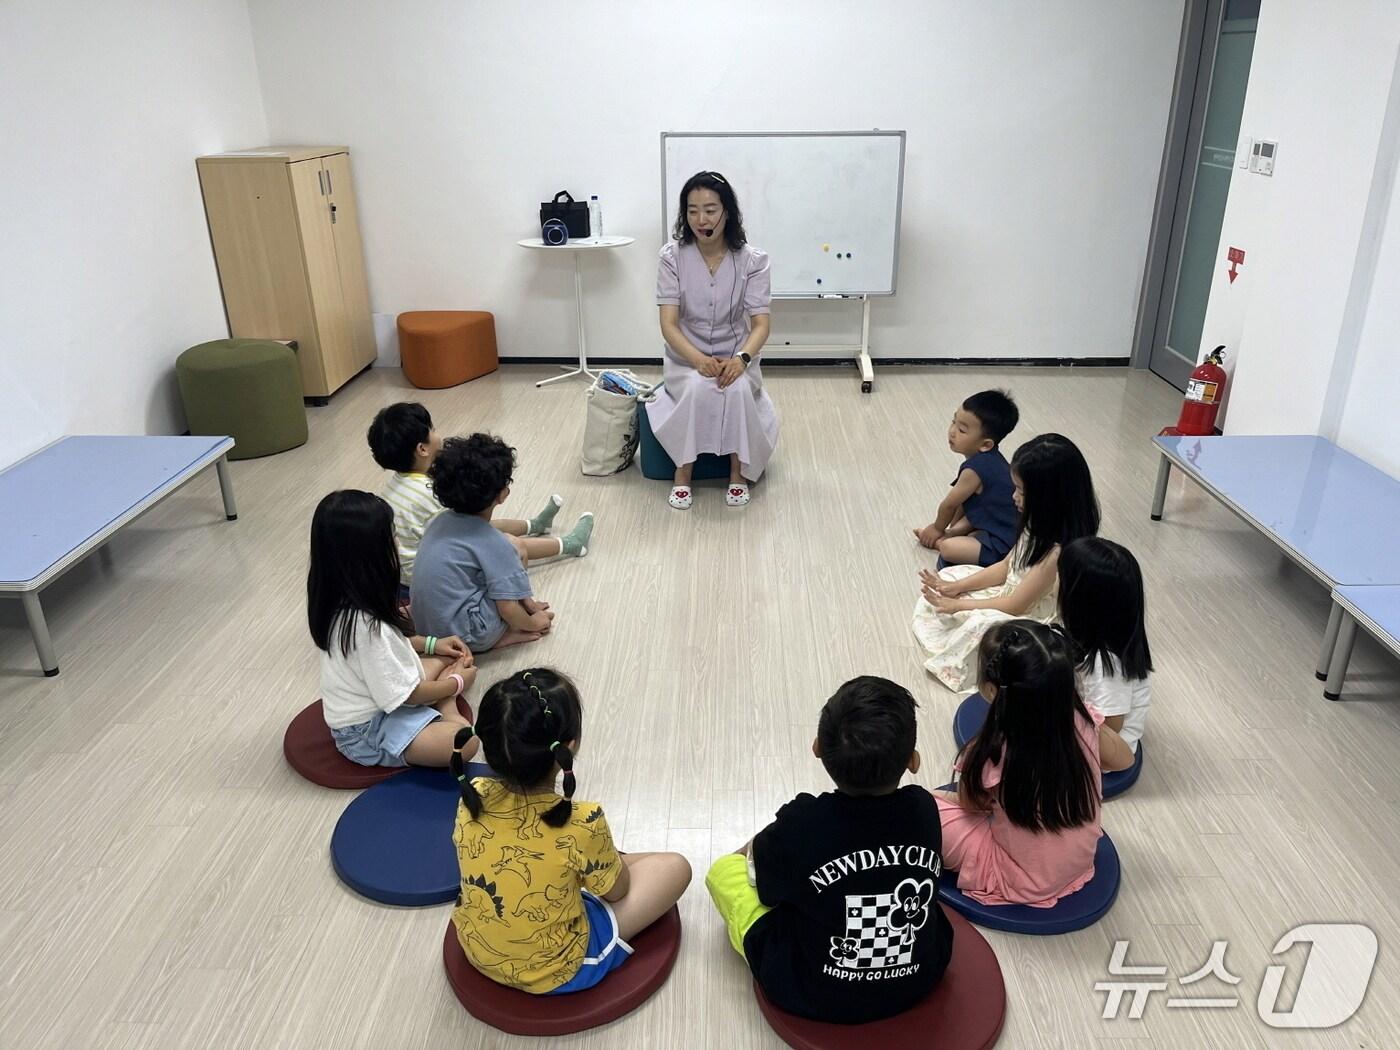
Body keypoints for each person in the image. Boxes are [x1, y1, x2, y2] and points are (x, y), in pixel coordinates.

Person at [704, 677, 954, 1025]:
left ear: (817, 747)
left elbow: (768, 892)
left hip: (812, 989)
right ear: (913, 761)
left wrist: (763, 849)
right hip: (922, 973)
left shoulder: (802, 822)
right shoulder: (924, 807)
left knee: (724, 872)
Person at [449, 669, 692, 994]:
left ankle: (596, 867)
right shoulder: (581, 822)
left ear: (487, 745)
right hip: (557, 969)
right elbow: (617, 893)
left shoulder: (472, 795)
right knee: (676, 866)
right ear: (570, 746)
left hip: (477, 948)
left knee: (609, 862)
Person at [935, 621, 1135, 907]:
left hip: (1018, 877)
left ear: (992, 691)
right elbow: (1125, 758)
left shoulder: (992, 749)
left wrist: (944, 797)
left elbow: (970, 803)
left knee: (926, 809)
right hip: (1079, 862)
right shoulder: (1084, 720)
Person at [912, 432, 1100, 692]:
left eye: (1021, 491)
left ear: (1050, 497)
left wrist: (958, 604)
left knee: (981, 626)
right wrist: (957, 588)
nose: (1014, 497)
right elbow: (1005, 567)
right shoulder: (1035, 524)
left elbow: (1015, 605)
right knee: (954, 576)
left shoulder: (1057, 553)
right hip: (1010, 596)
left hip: (1028, 617)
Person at [307, 489, 479, 768]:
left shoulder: (342, 600)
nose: (398, 542)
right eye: (392, 537)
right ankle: (447, 704)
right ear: (371, 557)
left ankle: (442, 694)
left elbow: (393, 647)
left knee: (445, 660)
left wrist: (433, 644)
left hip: (380, 697)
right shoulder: (367, 626)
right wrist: (455, 685)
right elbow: (408, 696)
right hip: (367, 729)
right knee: (466, 741)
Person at [647, 171, 779, 510]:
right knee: (695, 387)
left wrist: (742, 360)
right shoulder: (671, 257)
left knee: (733, 388)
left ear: (727, 213)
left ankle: (738, 473)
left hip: (737, 357)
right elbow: (668, 324)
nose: (700, 220)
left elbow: (761, 325)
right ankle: (683, 473)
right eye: (692, 211)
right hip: (685, 359)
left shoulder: (753, 260)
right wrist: (697, 360)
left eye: (709, 210)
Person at [367, 402, 567, 594]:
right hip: (428, 580)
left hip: (401, 578)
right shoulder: (430, 492)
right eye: (433, 429)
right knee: (504, 542)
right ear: (422, 449)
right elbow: (472, 535)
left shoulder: (396, 484)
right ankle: (567, 545)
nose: (438, 433)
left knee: (485, 527)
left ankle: (536, 525)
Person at [413, 435, 590, 651]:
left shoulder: (439, 521)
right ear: (502, 494)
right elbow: (506, 608)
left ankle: (523, 607)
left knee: (510, 548)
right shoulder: (493, 543)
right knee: (514, 550)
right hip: (466, 636)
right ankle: (499, 636)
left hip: (428, 631)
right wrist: (534, 623)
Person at [1058, 537, 1154, 756]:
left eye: (1062, 580)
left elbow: (1108, 731)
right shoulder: (1092, 637)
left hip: (1100, 755)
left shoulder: (1105, 665)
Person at [913, 390, 1020, 567]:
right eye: (954, 422)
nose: (952, 432)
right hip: (996, 522)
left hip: (1004, 542)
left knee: (949, 549)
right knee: (962, 523)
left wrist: (937, 529)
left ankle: (941, 542)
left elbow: (950, 504)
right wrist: (953, 528)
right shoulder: (991, 459)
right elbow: (964, 503)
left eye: (962, 430)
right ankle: (959, 538)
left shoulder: (975, 469)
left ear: (986, 444)